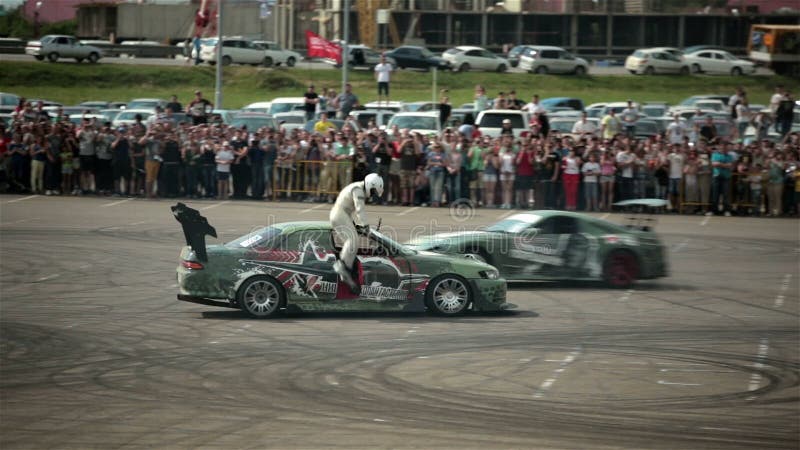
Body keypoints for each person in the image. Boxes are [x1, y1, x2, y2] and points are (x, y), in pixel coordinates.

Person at [330, 172, 384, 294]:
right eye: (374, 191)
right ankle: (342, 266)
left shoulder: (358, 188)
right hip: (339, 214)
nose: (373, 194)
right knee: (353, 241)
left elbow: (350, 209)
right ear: (371, 185)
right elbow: (360, 210)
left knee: (351, 244)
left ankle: (346, 270)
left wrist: (356, 225)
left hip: (342, 214)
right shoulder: (358, 190)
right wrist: (366, 226)